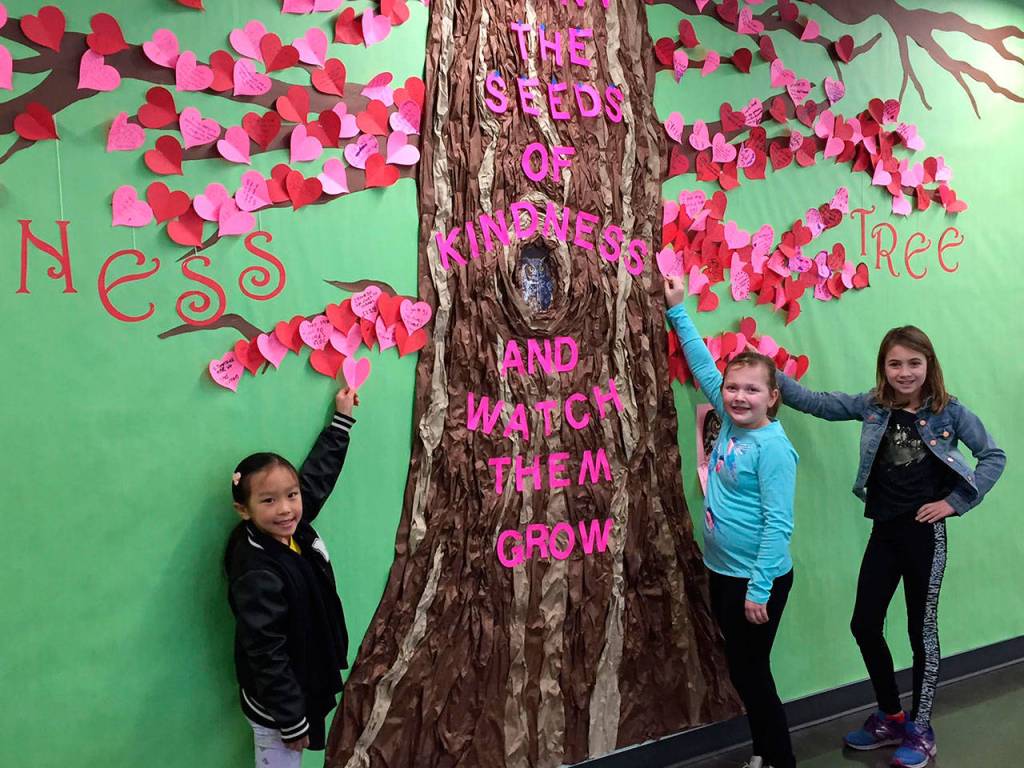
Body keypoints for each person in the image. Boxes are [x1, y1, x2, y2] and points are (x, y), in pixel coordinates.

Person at [775, 326, 1005, 768]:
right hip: (885, 530)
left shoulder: (949, 412)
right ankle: (891, 715)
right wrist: (773, 376)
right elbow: (819, 403)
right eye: (895, 363)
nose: (904, 372)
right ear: (883, 366)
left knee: (922, 632)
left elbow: (993, 456)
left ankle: (921, 730)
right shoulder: (873, 406)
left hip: (925, 536)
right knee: (864, 624)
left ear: (929, 365)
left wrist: (954, 503)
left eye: (914, 363)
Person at [665, 276, 799, 768]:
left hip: (756, 580)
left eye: (752, 390)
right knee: (743, 672)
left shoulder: (774, 451)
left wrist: (759, 588)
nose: (739, 397)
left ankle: (778, 759)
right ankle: (764, 753)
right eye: (733, 388)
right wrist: (677, 310)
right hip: (724, 572)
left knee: (753, 676)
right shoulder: (728, 417)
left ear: (773, 398)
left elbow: (778, 524)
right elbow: (702, 364)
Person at [224, 385, 360, 767]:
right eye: (268, 500)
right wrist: (290, 718)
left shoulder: (292, 529)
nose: (285, 509)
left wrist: (341, 421)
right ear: (243, 510)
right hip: (277, 706)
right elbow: (266, 650)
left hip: (302, 681)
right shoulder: (257, 570)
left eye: (291, 495)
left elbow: (316, 481)